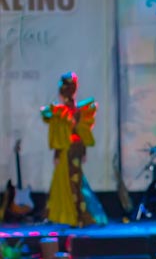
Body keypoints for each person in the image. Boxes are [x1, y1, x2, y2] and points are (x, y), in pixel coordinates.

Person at [40, 72, 106, 227]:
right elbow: (80, 133)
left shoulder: (61, 113)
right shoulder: (76, 112)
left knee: (69, 184)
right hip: (75, 150)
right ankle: (75, 216)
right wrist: (83, 152)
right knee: (72, 182)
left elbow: (61, 138)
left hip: (67, 151)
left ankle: (79, 217)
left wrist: (57, 154)